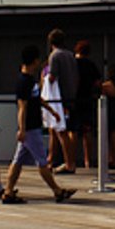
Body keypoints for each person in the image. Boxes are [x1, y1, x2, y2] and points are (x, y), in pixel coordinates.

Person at [1, 45, 75, 205]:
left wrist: (52, 110)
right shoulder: (23, 82)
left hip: (32, 127)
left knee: (18, 161)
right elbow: (22, 107)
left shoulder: (30, 81)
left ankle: (8, 192)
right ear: (34, 61)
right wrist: (22, 129)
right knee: (42, 162)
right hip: (30, 128)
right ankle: (57, 191)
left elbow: (37, 99)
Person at [45, 28, 81, 173]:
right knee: (62, 130)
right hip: (72, 95)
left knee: (61, 131)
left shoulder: (55, 56)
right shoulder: (70, 55)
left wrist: (45, 79)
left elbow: (52, 76)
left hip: (59, 98)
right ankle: (53, 160)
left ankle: (68, 163)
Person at [71, 39, 102, 170]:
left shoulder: (72, 64)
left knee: (72, 131)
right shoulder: (91, 65)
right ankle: (87, 161)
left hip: (73, 99)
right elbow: (98, 83)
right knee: (87, 131)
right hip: (87, 99)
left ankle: (71, 160)